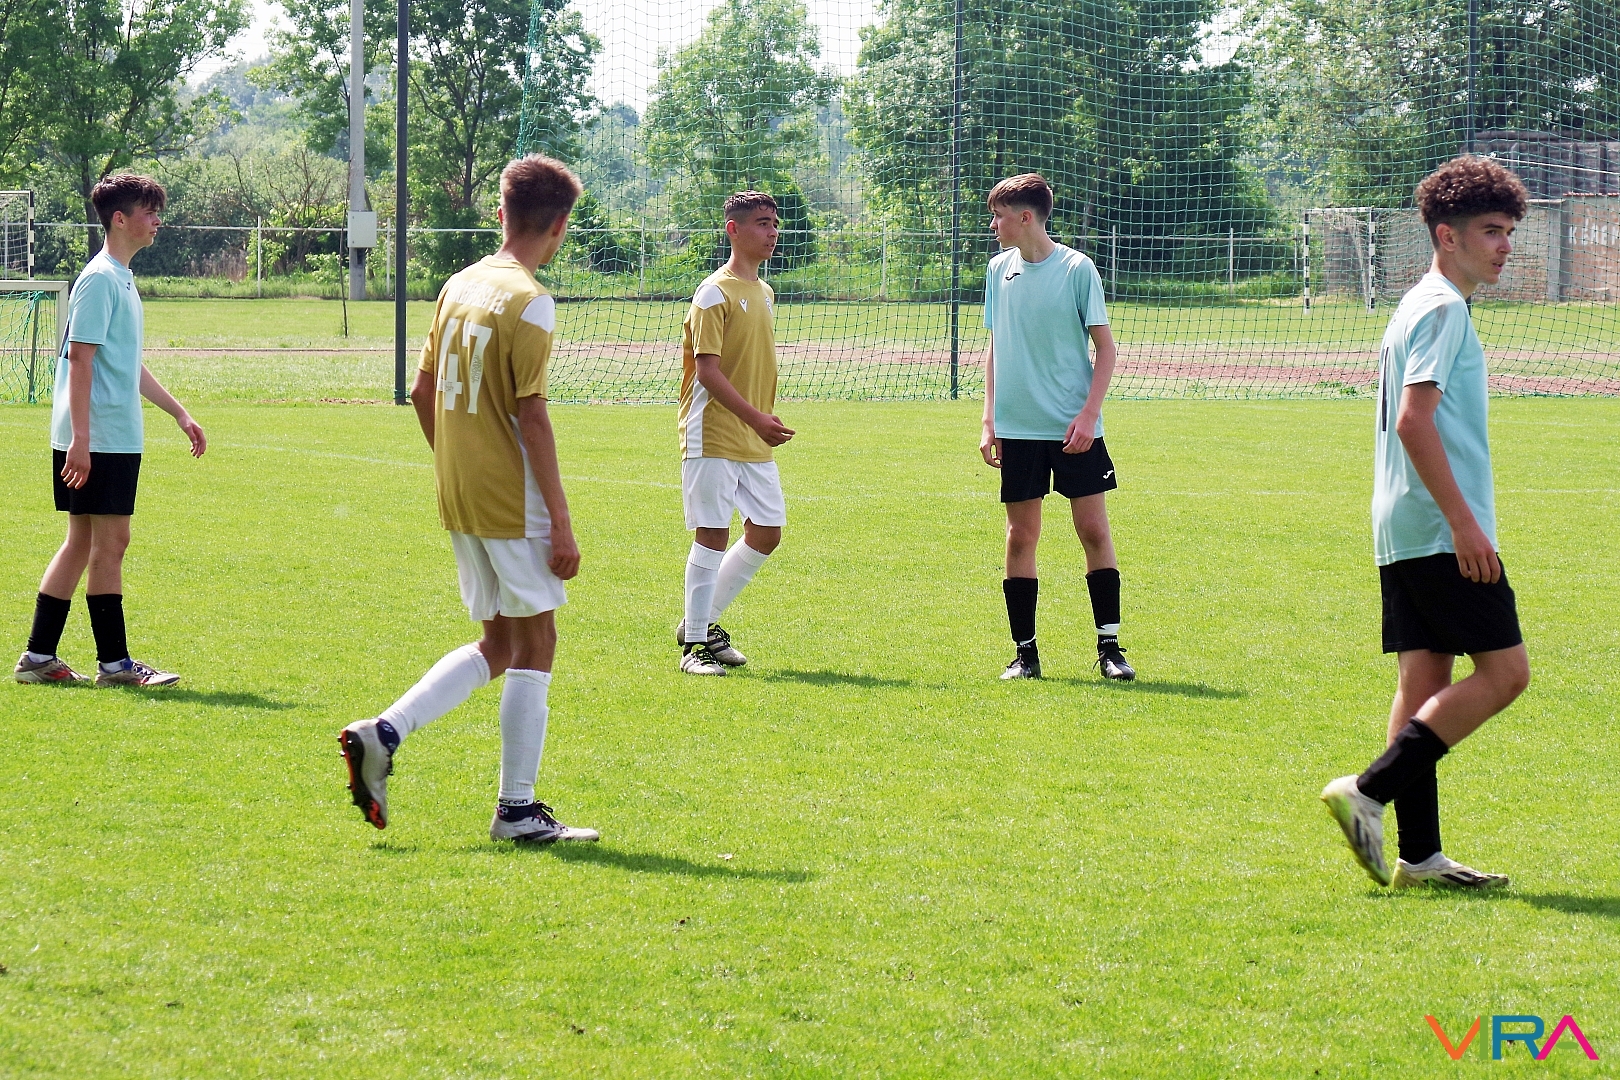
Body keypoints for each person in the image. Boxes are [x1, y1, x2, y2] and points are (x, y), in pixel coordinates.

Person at [340, 155, 598, 845]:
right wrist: (562, 521)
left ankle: (384, 732)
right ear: (560, 225)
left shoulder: (460, 283)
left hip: (459, 493)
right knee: (536, 640)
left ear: (501, 213)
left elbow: (421, 392)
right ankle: (516, 810)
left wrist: (456, 462)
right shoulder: (531, 300)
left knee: (500, 642)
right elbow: (532, 416)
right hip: (512, 500)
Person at [1321, 155, 1532, 889]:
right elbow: (1415, 422)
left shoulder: (1416, 303)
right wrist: (1465, 525)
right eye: (1492, 231)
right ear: (1448, 235)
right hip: (1440, 530)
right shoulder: (1443, 309)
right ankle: (1368, 790)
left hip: (1402, 525)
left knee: (1421, 687)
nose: (1505, 246)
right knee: (1506, 673)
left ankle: (1419, 856)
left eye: (1509, 232)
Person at [15, 174, 205, 688]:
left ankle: (38, 658)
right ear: (120, 219)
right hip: (98, 436)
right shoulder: (100, 278)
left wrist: (179, 413)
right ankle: (115, 665)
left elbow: (125, 363)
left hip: (105, 434)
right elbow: (80, 359)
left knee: (82, 541)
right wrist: (81, 440)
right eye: (149, 212)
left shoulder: (119, 276)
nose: (157, 221)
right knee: (112, 540)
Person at [978, 173, 1133, 682]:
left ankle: (1110, 649)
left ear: (1026, 218)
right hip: (1018, 430)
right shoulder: (998, 270)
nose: (993, 225)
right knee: (1020, 536)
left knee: (1093, 530)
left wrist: (1089, 415)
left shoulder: (1076, 269)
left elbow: (1106, 349)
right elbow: (996, 346)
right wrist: (989, 419)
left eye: (999, 216)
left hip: (1074, 430)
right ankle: (1025, 654)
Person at [675, 191, 794, 676]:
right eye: (763, 223)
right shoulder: (713, 293)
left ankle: (699, 623)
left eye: (774, 223)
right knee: (713, 533)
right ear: (734, 230)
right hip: (712, 433)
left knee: (766, 532)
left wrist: (762, 420)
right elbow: (707, 371)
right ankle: (694, 648)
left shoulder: (764, 291)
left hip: (751, 435)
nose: (773, 232)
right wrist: (756, 418)